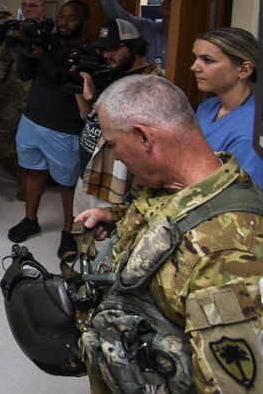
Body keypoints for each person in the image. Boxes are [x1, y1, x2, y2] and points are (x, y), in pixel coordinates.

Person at [76, 75, 263, 393]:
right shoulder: (174, 182)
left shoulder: (226, 255)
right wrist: (117, 217)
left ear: (145, 138)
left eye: (114, 144)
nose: (116, 155)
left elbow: (229, 384)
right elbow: (168, 219)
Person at [7, 0, 90, 258]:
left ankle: (69, 231)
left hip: (64, 126)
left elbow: (67, 81)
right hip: (32, 119)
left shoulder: (87, 50)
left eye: (71, 18)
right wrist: (26, 49)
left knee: (67, 183)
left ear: (83, 21)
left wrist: (43, 55)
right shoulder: (48, 40)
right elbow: (24, 75)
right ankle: (31, 219)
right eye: (62, 16)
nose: (64, 22)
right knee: (33, 170)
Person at [73, 19, 162, 213]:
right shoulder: (113, 75)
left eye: (112, 48)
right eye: (104, 50)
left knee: (102, 240)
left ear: (134, 47)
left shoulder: (152, 82)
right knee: (80, 228)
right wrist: (79, 89)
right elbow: (90, 116)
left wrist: (93, 99)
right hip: (89, 170)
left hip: (111, 180)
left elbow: (126, 124)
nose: (106, 55)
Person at [0, 0, 47, 201]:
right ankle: (22, 174)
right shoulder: (15, 30)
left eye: (33, 5)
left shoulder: (52, 33)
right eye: (24, 5)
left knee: (36, 141)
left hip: (40, 96)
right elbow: (5, 56)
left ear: (44, 9)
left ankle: (35, 179)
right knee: (2, 136)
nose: (28, 9)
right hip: (13, 93)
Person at [192, 27, 262, 186]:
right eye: (196, 58)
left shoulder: (249, 133)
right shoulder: (208, 107)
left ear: (244, 70)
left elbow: (242, 197)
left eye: (207, 60)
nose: (194, 67)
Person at [92, 0, 170, 70]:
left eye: (171, 0)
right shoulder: (146, 27)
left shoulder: (189, 37)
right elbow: (116, 15)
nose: (165, 2)